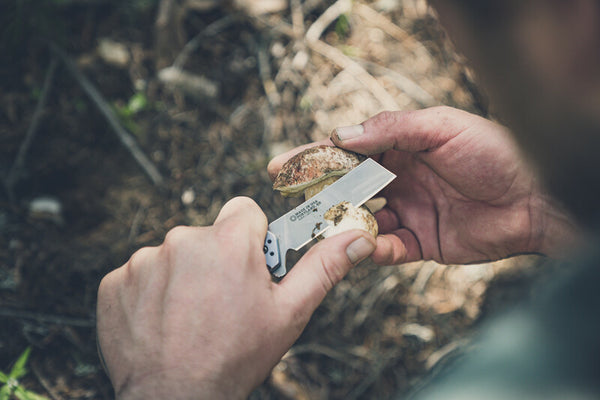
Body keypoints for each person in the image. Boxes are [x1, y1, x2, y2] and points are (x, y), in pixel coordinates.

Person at [96, 0, 600, 398]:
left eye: (480, 49)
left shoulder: (535, 375)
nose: (489, 88)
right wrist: (537, 205)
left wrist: (173, 386)